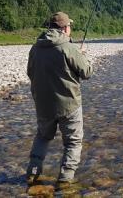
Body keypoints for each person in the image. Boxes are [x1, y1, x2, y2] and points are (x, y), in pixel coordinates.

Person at [26, 11, 93, 187]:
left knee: (42, 136)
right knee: (73, 142)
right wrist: (82, 55)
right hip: (69, 105)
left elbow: (30, 73)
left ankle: (33, 172)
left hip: (43, 106)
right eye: (69, 26)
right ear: (64, 28)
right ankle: (65, 179)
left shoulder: (35, 48)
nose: (70, 28)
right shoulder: (68, 48)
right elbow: (86, 73)